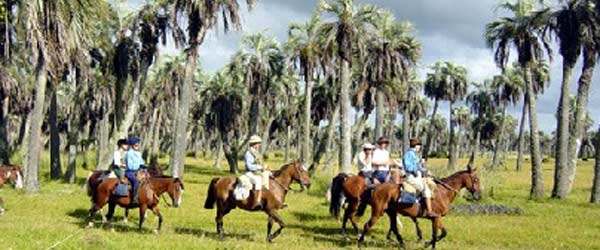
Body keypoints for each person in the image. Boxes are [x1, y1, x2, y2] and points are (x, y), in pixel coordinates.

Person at [403, 138, 439, 218]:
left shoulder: (415, 154)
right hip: (411, 176)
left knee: (430, 184)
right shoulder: (409, 154)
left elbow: (419, 167)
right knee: (426, 189)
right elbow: (408, 166)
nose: (419, 147)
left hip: (418, 176)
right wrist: (416, 168)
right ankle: (429, 212)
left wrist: (426, 171)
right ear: (415, 146)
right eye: (418, 145)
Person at [243, 135, 267, 209]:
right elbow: (249, 166)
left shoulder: (256, 153)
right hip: (250, 173)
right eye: (257, 143)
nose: (259, 145)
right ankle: (257, 201)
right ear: (253, 144)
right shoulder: (248, 153)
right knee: (258, 180)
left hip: (257, 172)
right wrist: (260, 167)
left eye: (259, 143)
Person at [125, 136, 146, 205]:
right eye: (135, 143)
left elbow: (142, 162)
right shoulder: (129, 153)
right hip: (130, 172)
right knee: (136, 181)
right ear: (131, 145)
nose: (137, 145)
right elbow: (130, 166)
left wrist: (144, 166)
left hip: (138, 171)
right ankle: (134, 198)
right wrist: (138, 166)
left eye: (137, 143)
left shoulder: (138, 153)